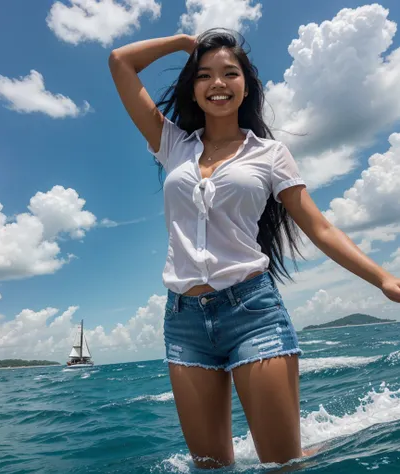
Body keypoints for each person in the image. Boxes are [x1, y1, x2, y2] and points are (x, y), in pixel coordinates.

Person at [108, 29, 400, 470]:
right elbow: (119, 63)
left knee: (282, 464)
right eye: (204, 75)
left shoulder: (270, 154)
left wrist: (383, 279)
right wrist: (183, 42)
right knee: (210, 467)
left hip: (253, 314)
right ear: (193, 86)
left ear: (247, 84)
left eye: (230, 73)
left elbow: (319, 228)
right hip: (184, 323)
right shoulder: (173, 144)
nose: (218, 83)